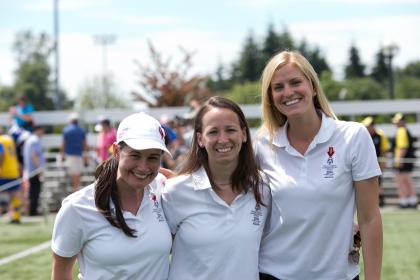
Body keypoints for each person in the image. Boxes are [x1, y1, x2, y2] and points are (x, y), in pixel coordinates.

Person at [256, 51, 382, 280]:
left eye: (295, 82)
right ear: (270, 97)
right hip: (273, 274)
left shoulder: (354, 137)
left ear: (313, 87)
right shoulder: (262, 145)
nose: (288, 93)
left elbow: (370, 218)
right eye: (278, 87)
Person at [51, 112, 172, 280]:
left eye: (153, 158)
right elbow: (61, 273)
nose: (143, 167)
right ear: (116, 151)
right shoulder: (77, 207)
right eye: (135, 155)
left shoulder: (164, 191)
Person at [162, 96, 271, 280]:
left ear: (244, 134)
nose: (223, 139)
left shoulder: (262, 188)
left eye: (230, 130)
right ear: (200, 139)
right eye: (213, 132)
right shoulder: (175, 192)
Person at [362, 116, 390, 207]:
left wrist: (383, 163)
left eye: (368, 126)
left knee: (378, 182)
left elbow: (384, 150)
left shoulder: (380, 135)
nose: (367, 128)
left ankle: (381, 201)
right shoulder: (364, 135)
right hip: (367, 163)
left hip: (378, 162)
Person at [391, 112, 417, 209]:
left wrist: (399, 161)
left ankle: (404, 201)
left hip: (402, 160)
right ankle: (412, 200)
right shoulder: (406, 130)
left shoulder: (401, 131)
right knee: (407, 180)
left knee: (401, 181)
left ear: (402, 122)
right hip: (407, 159)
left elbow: (402, 147)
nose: (396, 124)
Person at [60, 112, 88, 192]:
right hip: (79, 155)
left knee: (72, 174)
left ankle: (74, 191)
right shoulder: (81, 130)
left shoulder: (66, 130)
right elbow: (85, 144)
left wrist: (62, 155)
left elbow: (63, 144)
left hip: (69, 155)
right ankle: (76, 189)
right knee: (78, 174)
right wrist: (86, 157)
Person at [23, 126, 45, 216]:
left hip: (30, 170)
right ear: (38, 130)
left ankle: (31, 211)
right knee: (35, 192)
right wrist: (39, 169)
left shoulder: (29, 140)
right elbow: (34, 155)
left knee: (32, 191)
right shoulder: (35, 140)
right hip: (35, 171)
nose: (43, 134)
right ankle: (33, 211)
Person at [0, 131, 22, 223]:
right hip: (14, 171)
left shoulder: (1, 141)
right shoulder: (9, 139)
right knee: (15, 194)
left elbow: (1, 156)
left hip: (4, 171)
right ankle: (16, 217)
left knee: (2, 194)